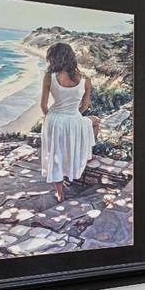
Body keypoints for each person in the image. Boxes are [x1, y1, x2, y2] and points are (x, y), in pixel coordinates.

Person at [39, 42, 100, 202]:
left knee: (56, 155)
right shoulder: (86, 79)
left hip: (54, 120)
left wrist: (52, 119)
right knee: (95, 122)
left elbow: (43, 106)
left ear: (54, 58)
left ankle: (60, 193)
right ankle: (88, 154)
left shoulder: (49, 76)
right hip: (74, 119)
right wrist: (73, 117)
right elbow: (85, 105)